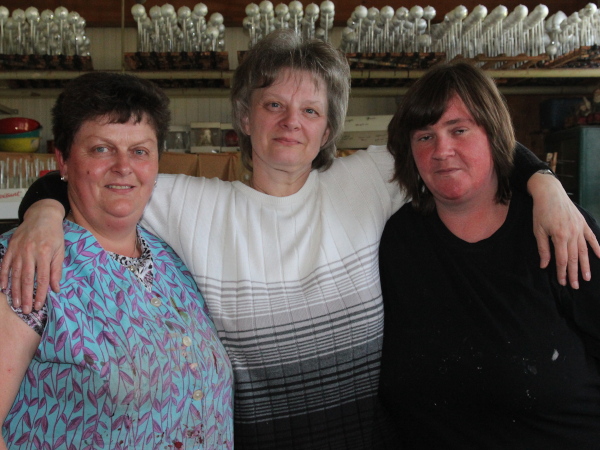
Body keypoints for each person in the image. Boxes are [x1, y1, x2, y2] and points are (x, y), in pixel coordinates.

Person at [2, 30, 599, 449]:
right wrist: (44, 214)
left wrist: (545, 184)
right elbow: (100, 176)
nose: (292, 122)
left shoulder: (368, 179)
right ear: (245, 116)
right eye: (274, 104)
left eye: (311, 110)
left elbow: (465, 147)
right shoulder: (187, 203)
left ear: (329, 126)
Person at [0, 72, 233, 449]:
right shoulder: (28, 261)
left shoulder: (175, 258)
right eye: (101, 149)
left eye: (140, 151)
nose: (124, 166)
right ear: (63, 160)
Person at [379, 61, 600, 448]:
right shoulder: (400, 239)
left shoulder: (558, 229)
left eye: (459, 130)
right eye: (425, 136)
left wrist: (543, 182)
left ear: (494, 134)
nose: (441, 150)